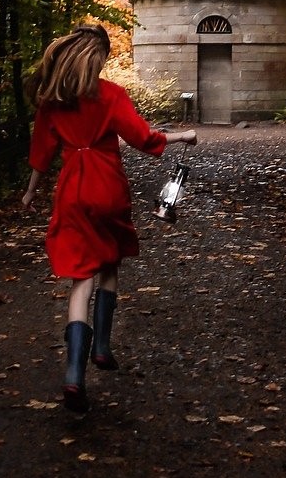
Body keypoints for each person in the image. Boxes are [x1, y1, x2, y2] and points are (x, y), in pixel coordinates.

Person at [21, 24, 197, 412]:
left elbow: (41, 152)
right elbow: (142, 137)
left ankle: (72, 374)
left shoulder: (52, 101)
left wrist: (31, 191)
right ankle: (101, 346)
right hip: (107, 187)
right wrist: (182, 136)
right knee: (110, 261)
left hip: (71, 190)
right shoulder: (111, 95)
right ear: (97, 58)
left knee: (80, 279)